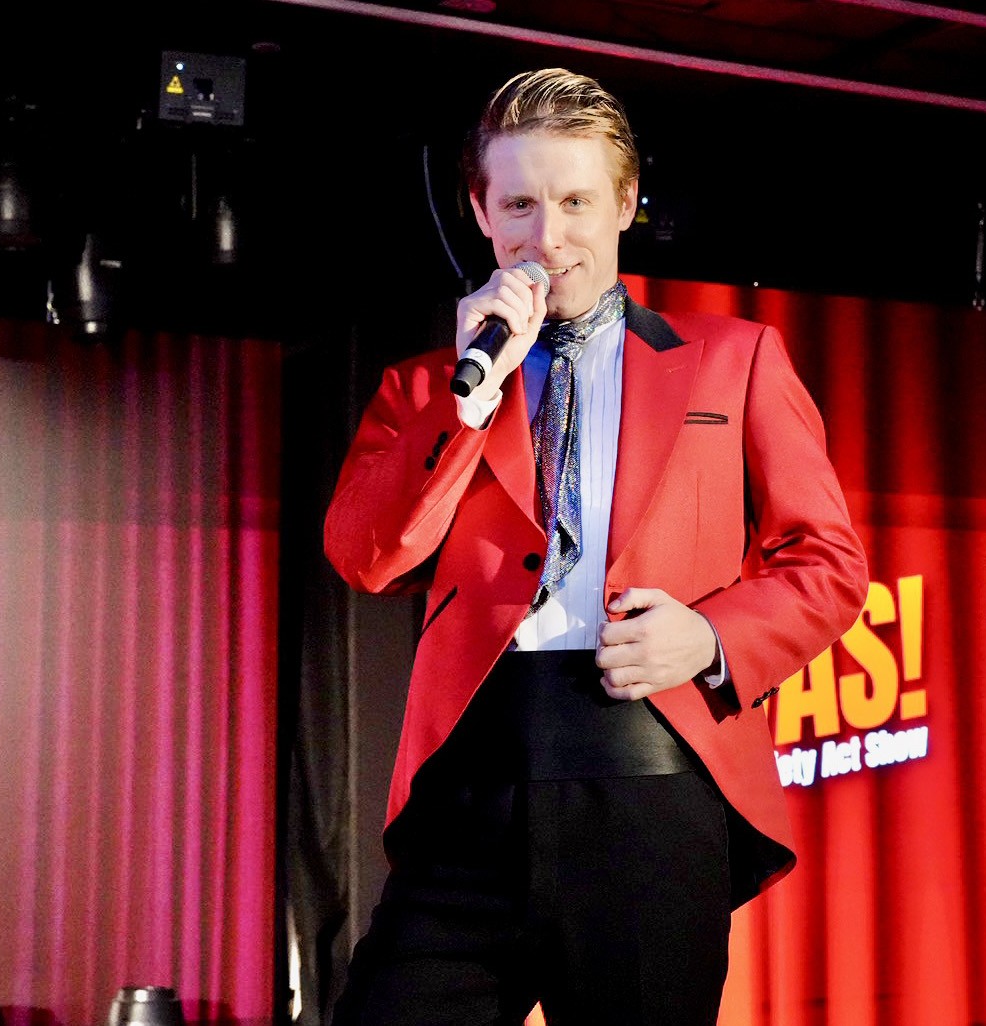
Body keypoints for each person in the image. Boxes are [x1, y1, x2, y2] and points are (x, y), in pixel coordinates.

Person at [323, 66, 869, 1026]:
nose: (548, 236)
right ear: (481, 212)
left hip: (651, 783)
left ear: (624, 203)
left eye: (575, 202)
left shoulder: (735, 358)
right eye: (520, 205)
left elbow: (826, 564)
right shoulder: (426, 388)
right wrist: (467, 403)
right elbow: (368, 558)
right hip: (471, 795)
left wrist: (710, 637)